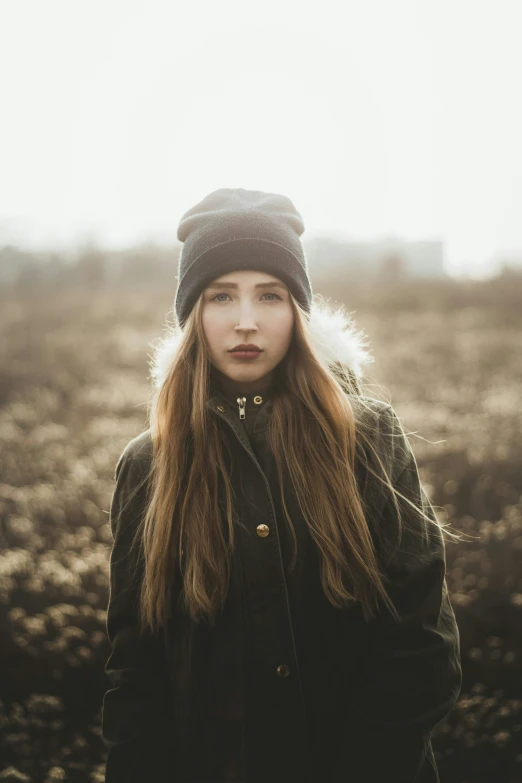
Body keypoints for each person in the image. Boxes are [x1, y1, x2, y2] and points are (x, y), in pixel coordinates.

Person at [101, 187, 462, 783]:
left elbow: (420, 647)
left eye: (269, 294)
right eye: (221, 296)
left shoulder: (366, 438)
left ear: (298, 309)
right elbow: (134, 672)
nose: (246, 321)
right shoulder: (149, 464)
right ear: (193, 314)